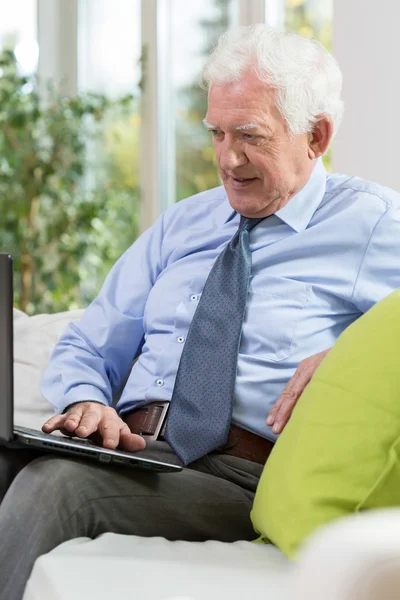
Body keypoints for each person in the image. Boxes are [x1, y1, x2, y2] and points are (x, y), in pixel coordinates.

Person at [1, 23, 400, 599]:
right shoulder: (185, 224)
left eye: (250, 136)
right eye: (216, 133)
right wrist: (87, 399)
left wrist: (349, 356)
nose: (227, 158)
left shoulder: (372, 223)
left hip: (243, 474)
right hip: (136, 451)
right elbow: (90, 343)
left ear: (316, 135)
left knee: (58, 488)